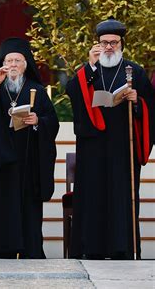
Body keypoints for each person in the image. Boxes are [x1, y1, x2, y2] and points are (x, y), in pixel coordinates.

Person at [66, 18, 154, 259]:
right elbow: (73, 93)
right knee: (93, 197)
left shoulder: (134, 71)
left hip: (123, 149)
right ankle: (92, 248)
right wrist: (91, 67)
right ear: (97, 45)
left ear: (121, 44)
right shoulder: (87, 71)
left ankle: (122, 248)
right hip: (93, 146)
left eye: (113, 43)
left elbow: (150, 108)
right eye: (104, 43)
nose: (108, 47)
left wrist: (137, 102)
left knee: (120, 197)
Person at [0, 38, 59, 259]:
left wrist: (38, 120)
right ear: (2, 64)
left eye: (17, 61)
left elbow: (53, 122)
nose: (12, 64)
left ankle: (30, 249)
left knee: (27, 208)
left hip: (27, 161)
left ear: (25, 64)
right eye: (8, 60)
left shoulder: (37, 90)